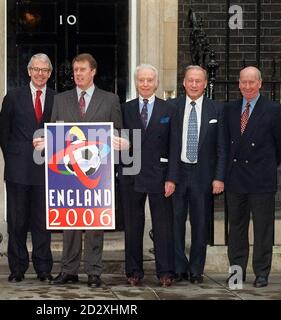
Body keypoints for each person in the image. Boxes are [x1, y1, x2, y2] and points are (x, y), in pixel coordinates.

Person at [48, 53, 122, 288]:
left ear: (93, 71)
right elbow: (54, 136)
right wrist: (44, 144)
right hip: (67, 173)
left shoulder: (110, 100)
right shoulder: (60, 100)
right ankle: (68, 270)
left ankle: (93, 271)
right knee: (69, 224)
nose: (78, 74)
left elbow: (117, 134)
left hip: (97, 173)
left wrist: (118, 145)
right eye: (75, 69)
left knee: (94, 225)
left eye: (82, 69)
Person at [225, 66, 281, 288]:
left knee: (263, 229)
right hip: (236, 180)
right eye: (243, 82)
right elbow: (225, 144)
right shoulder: (231, 109)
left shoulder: (274, 109)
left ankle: (262, 273)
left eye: (251, 82)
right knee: (236, 229)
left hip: (261, 180)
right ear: (239, 84)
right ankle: (236, 273)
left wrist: (267, 164)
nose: (247, 86)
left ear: (260, 84)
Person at [117, 64, 179, 287]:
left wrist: (172, 178)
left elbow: (174, 146)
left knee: (163, 226)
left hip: (160, 176)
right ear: (136, 82)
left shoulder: (169, 109)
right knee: (133, 226)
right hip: (131, 176)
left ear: (156, 83)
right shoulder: (125, 109)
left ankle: (165, 271)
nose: (145, 84)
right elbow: (119, 142)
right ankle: (133, 271)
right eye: (141, 80)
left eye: (149, 80)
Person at [0, 53, 55, 282]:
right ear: (29, 71)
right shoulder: (13, 97)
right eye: (36, 69)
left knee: (43, 223)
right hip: (18, 171)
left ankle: (43, 268)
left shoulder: (56, 98)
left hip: (47, 173)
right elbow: (3, 131)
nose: (40, 74)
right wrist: (14, 156)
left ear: (49, 74)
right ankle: (17, 268)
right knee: (17, 222)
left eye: (44, 70)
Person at [168, 65, 226, 284]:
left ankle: (196, 270)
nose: (194, 84)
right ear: (184, 82)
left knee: (201, 224)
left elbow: (222, 147)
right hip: (178, 173)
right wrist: (168, 176)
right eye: (190, 80)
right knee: (175, 222)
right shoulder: (172, 107)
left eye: (198, 81)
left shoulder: (216, 110)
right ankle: (179, 267)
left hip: (203, 175)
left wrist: (219, 177)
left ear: (205, 84)